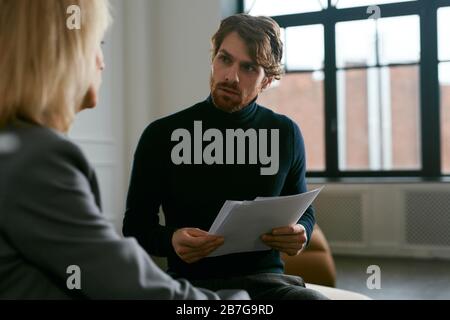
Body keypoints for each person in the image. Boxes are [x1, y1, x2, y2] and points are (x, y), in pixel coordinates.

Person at [0, 0, 249, 300]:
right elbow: (127, 288)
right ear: (60, 54)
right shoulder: (37, 159)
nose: (102, 61)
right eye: (98, 43)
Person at [123, 13, 327, 300]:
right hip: (190, 285)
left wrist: (300, 232)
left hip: (266, 283)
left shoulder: (286, 133)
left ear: (266, 80)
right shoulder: (161, 135)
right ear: (213, 59)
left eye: (248, 67)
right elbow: (135, 228)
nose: (231, 76)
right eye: (225, 59)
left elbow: (303, 210)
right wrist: (170, 240)